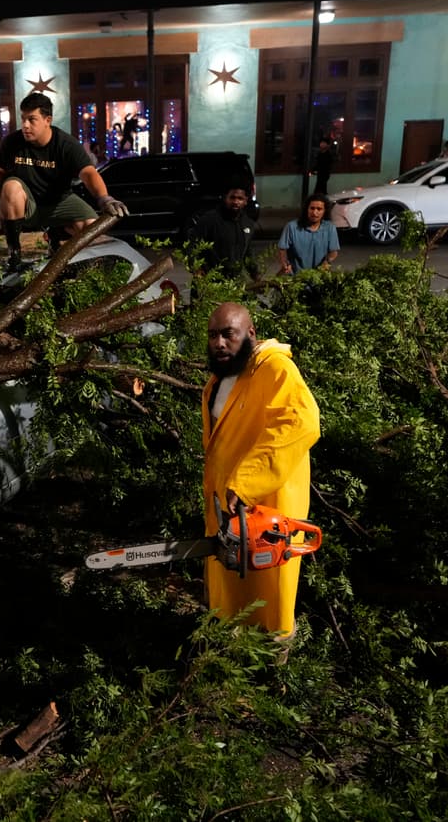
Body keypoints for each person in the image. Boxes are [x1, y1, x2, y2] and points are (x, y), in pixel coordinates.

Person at [202, 302, 321, 636]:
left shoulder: (275, 369)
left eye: (229, 334)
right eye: (213, 336)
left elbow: (301, 421)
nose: (219, 343)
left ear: (250, 334)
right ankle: (230, 655)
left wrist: (246, 482)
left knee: (270, 599)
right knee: (231, 591)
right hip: (228, 505)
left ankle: (273, 667)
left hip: (266, 508)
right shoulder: (220, 380)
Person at [0, 93, 127, 269]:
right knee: (11, 186)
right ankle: (14, 254)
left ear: (47, 120)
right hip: (27, 205)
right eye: (23, 119)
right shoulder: (12, 143)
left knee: (91, 228)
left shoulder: (65, 144)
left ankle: (57, 236)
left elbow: (89, 173)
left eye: (32, 119)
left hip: (58, 202)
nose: (25, 125)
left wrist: (104, 198)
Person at [187, 184, 261, 281]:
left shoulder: (248, 224)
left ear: (246, 201)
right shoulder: (209, 220)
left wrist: (255, 275)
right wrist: (197, 270)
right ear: (225, 198)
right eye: (232, 197)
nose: (235, 202)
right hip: (210, 282)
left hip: (234, 283)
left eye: (240, 198)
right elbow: (192, 246)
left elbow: (248, 253)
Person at [277, 194, 340, 274]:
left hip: (319, 276)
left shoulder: (330, 228)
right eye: (312, 208)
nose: (314, 212)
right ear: (307, 209)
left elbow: (334, 251)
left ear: (324, 211)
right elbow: (282, 249)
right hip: (295, 276)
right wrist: (285, 264)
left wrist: (327, 262)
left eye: (319, 209)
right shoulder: (292, 227)